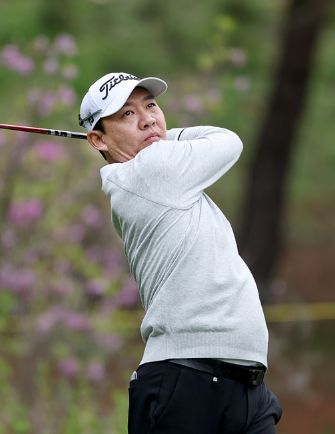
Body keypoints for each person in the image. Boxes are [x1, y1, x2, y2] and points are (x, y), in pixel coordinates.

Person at [78, 72, 283, 434]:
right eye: (127, 114)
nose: (147, 119)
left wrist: (152, 137)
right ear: (97, 139)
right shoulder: (153, 171)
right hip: (188, 382)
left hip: (243, 385)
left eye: (151, 106)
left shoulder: (154, 176)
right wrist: (164, 137)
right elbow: (228, 140)